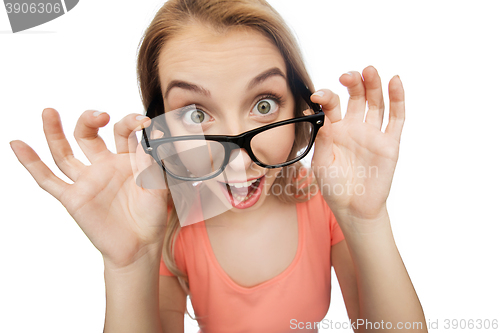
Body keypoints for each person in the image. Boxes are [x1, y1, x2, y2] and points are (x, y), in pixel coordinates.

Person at [10, 0, 427, 332]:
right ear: (159, 127)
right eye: (195, 113)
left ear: (300, 107)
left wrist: (366, 219)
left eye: (264, 105)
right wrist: (131, 263)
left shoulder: (323, 201)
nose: (240, 156)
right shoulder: (168, 227)